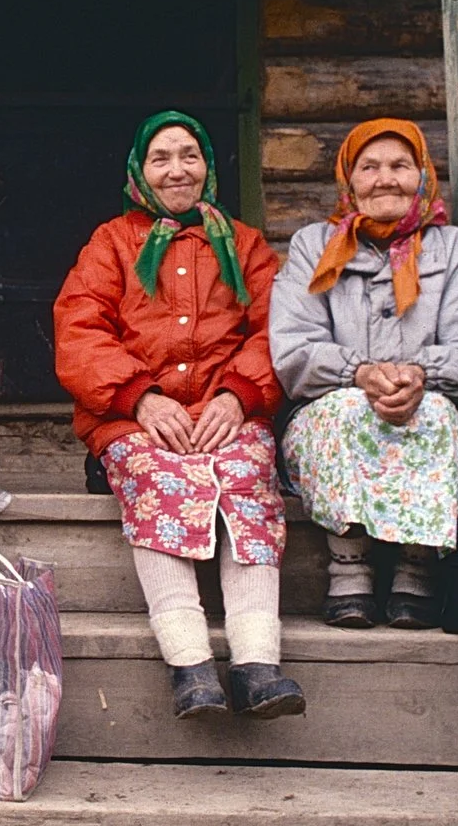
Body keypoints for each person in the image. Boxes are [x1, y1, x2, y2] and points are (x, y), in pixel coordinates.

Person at [54, 110, 303, 720]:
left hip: (226, 412)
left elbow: (278, 328)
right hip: (133, 416)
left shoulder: (244, 245)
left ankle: (256, 663)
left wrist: (238, 396)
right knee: (157, 472)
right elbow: (79, 329)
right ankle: (190, 664)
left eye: (189, 155)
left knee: (247, 472)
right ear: (140, 169)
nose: (176, 170)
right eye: (161, 158)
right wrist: (140, 397)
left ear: (209, 167)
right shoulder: (112, 242)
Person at [268, 119, 458, 628]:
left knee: (436, 411)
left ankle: (415, 568)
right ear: (348, 181)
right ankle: (348, 564)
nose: (385, 179)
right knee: (344, 408)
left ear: (422, 177)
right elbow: (293, 352)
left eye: (401, 166)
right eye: (370, 167)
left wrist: (421, 373)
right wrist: (358, 373)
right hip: (334, 416)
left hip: (429, 406)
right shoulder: (315, 246)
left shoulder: (451, 248)